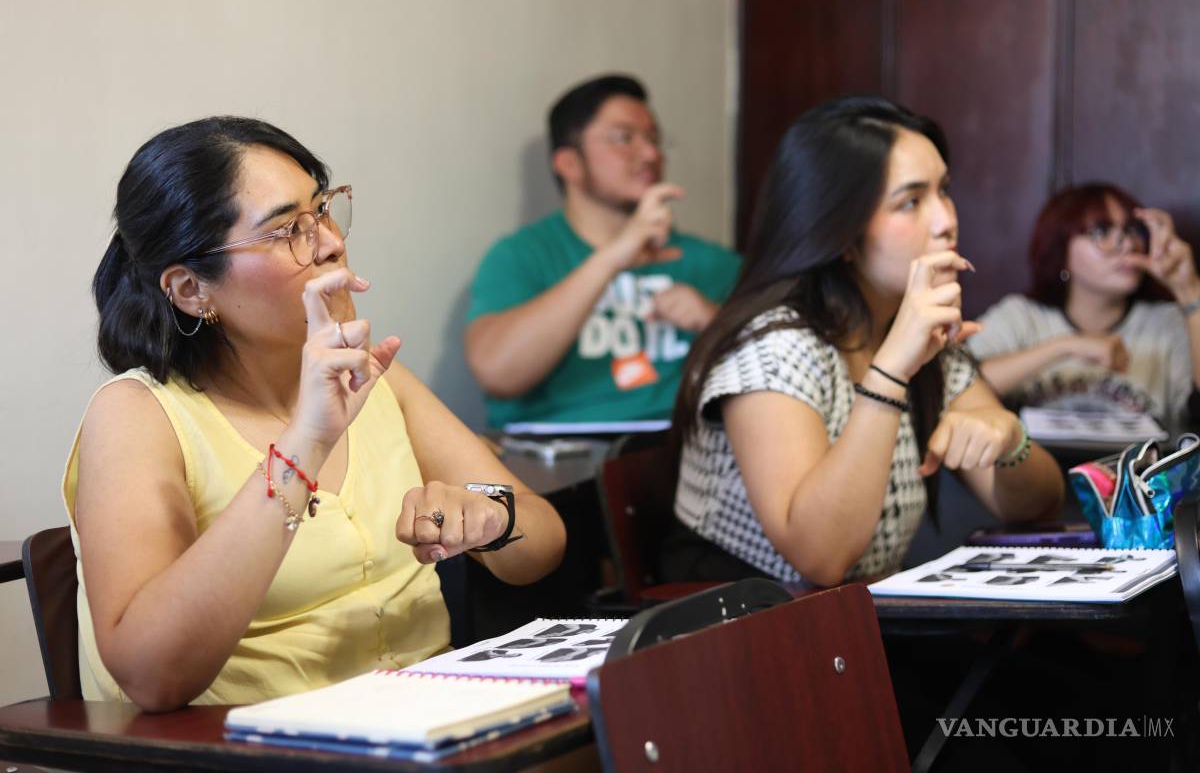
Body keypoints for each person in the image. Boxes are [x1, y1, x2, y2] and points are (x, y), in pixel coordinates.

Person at [68, 116, 566, 711]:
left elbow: (543, 540)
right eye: (285, 231)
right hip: (247, 749)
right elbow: (151, 676)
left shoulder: (376, 379)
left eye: (322, 210)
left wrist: (491, 520)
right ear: (192, 289)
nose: (330, 242)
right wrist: (307, 441)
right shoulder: (137, 415)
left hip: (429, 723)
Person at [664, 96, 1063, 586]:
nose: (946, 221)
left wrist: (1008, 437)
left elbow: (1036, 504)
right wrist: (892, 371)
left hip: (858, 625)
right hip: (744, 630)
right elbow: (821, 557)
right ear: (842, 233)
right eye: (911, 201)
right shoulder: (773, 346)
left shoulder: (917, 335)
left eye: (944, 191)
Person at [464, 74, 741, 428]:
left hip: (678, 458)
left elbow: (790, 369)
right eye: (624, 138)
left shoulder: (712, 264)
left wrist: (712, 321)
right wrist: (611, 259)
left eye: (654, 138)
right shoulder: (519, 256)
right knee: (489, 487)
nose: (651, 154)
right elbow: (496, 373)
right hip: (550, 464)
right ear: (569, 164)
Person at [966, 183, 1200, 434]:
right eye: (1102, 231)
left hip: (1138, 470)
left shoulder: (1166, 322)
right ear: (1060, 251)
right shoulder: (1022, 316)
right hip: (1037, 470)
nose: (1127, 244)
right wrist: (1067, 345)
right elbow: (962, 386)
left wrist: (1188, 288)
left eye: (1131, 230)